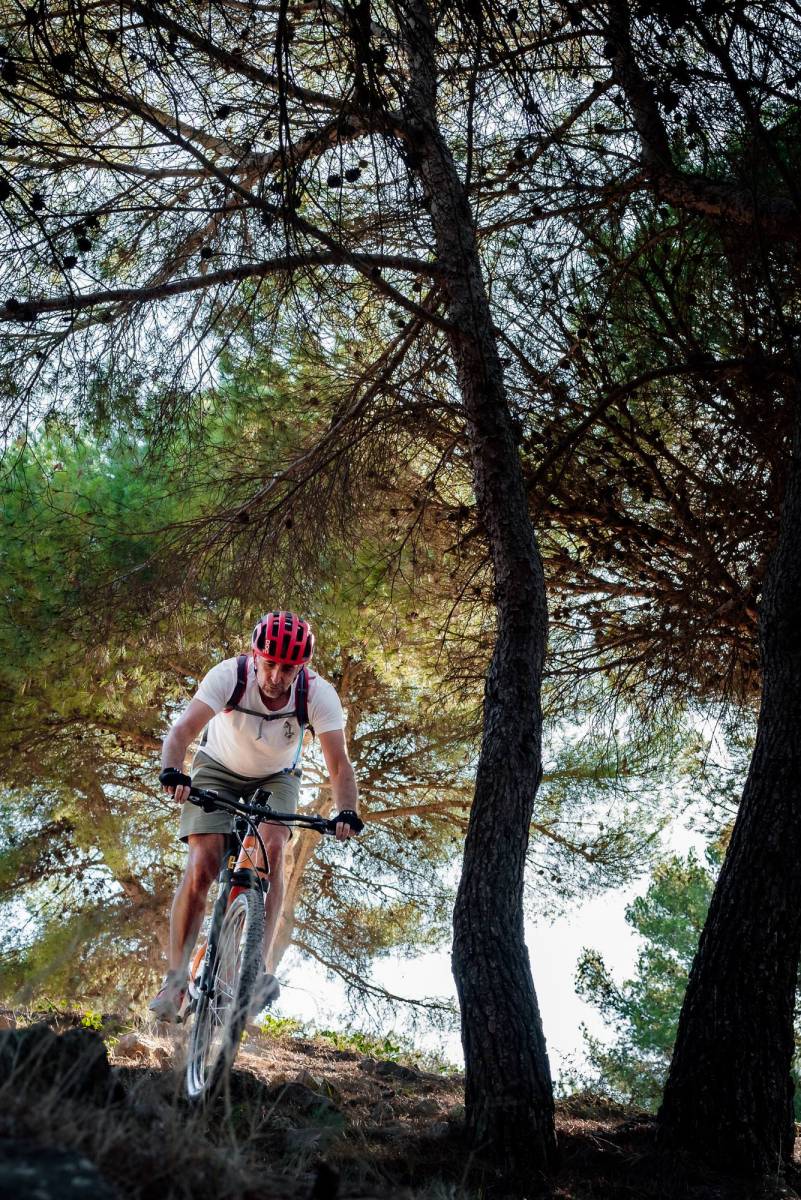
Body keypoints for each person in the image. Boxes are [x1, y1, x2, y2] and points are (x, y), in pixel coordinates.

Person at [149, 611, 362, 1022]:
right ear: (255, 655)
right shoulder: (229, 676)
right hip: (217, 768)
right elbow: (181, 733)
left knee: (274, 847)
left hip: (278, 776)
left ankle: (255, 970)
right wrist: (174, 770)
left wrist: (347, 810)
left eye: (290, 668)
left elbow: (339, 765)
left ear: (303, 667)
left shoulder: (317, 694)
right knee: (204, 864)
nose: (279, 676)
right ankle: (175, 983)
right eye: (271, 664)